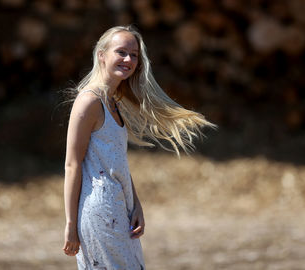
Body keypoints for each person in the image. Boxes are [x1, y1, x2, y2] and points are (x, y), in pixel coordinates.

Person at [62, 25, 216, 269]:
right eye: (121, 52)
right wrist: (71, 225)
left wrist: (136, 205)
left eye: (133, 55)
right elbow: (72, 165)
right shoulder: (89, 101)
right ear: (101, 54)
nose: (128, 59)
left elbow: (116, 161)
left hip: (118, 209)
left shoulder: (112, 101)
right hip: (100, 212)